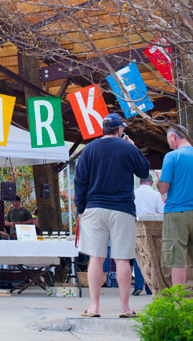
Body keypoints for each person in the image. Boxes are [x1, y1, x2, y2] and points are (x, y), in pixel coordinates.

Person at [74, 113, 150, 318]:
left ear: (103, 130)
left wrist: (81, 208)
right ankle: (125, 308)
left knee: (96, 258)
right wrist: (132, 146)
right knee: (123, 259)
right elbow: (144, 171)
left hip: (94, 208)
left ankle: (94, 307)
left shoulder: (89, 149)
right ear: (120, 130)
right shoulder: (127, 148)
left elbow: (80, 182)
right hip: (122, 209)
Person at [157, 126, 193, 288]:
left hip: (176, 211)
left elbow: (163, 188)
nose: (169, 144)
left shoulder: (172, 156)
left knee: (177, 258)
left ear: (173, 136)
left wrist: (159, 176)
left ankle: (178, 302)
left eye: (168, 140)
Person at [133, 174, 163, 295]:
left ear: (140, 182)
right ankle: (151, 285)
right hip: (152, 226)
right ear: (151, 182)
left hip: (136, 225)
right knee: (151, 256)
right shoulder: (156, 194)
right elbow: (161, 211)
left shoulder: (134, 193)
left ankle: (138, 285)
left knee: (139, 254)